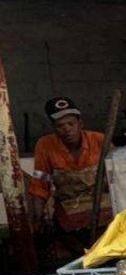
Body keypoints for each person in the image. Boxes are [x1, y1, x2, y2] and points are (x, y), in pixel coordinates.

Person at [28, 97, 111, 257]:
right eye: (60, 126)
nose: (66, 129)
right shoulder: (44, 145)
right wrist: (38, 218)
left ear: (80, 124)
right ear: (54, 128)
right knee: (74, 242)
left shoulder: (100, 140)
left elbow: (117, 178)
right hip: (68, 207)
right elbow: (40, 184)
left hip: (103, 204)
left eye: (71, 124)